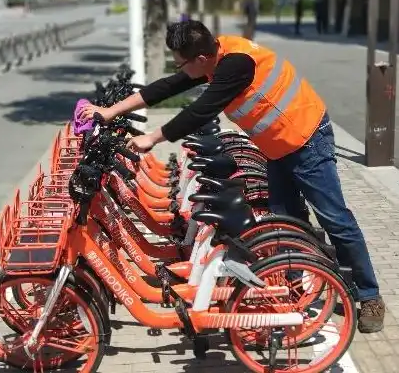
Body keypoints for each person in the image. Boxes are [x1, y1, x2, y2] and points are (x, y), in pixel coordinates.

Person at [80, 20, 385, 333]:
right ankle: (296, 289)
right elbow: (166, 87)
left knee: (335, 218)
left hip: (306, 138)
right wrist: (110, 111)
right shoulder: (215, 54)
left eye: (181, 61)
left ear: (200, 59)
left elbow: (202, 109)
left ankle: (370, 295)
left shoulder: (236, 65)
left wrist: (152, 138)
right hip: (278, 145)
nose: (178, 67)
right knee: (287, 220)